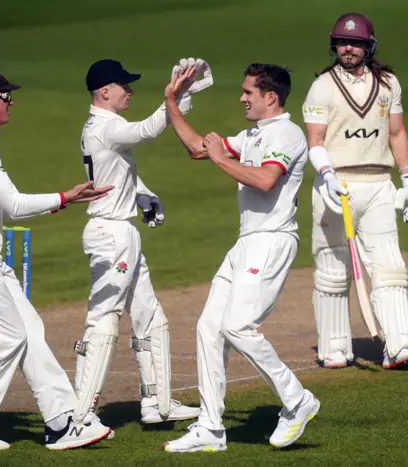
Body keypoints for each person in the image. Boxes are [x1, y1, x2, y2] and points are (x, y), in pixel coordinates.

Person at [0, 69, 114, 450]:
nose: (11, 102)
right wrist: (64, 198)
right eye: (5, 96)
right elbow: (12, 205)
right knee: (8, 337)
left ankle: (61, 422)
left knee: (29, 329)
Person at [162, 63, 320, 453]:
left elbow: (266, 181)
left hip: (272, 240)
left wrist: (219, 157)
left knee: (238, 326)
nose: (241, 98)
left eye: (248, 92)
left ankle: (297, 399)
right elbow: (199, 148)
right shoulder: (253, 133)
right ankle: (211, 429)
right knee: (209, 329)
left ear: (271, 97)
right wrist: (171, 102)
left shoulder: (288, 133)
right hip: (247, 242)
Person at [72, 58, 213, 431]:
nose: (130, 91)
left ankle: (156, 402)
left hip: (121, 231)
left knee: (150, 316)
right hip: (111, 235)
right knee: (103, 321)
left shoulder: (102, 126)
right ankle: (80, 415)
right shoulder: (106, 126)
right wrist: (176, 95)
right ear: (105, 92)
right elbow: (149, 131)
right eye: (124, 86)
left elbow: (119, 171)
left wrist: (142, 194)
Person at [302, 13, 408, 370]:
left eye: (354, 43)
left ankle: (400, 346)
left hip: (379, 184)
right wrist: (326, 174)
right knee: (332, 267)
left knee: (388, 266)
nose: (348, 48)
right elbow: (315, 140)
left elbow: (397, 134)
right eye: (342, 42)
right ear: (333, 45)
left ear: (368, 46)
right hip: (335, 185)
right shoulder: (322, 87)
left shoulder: (388, 84)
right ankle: (335, 347)